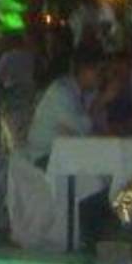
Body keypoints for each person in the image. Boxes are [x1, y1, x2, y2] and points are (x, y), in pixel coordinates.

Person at [24, 41, 107, 170]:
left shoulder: (88, 93)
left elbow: (100, 127)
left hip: (68, 152)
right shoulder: (61, 91)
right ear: (85, 70)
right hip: (45, 155)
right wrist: (100, 102)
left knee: (105, 162)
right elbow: (82, 130)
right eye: (99, 71)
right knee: (98, 168)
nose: (102, 77)